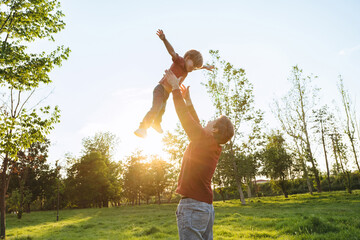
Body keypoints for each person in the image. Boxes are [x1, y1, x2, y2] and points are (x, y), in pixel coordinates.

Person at [164, 69, 234, 240]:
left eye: (213, 120)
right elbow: (197, 125)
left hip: (193, 208)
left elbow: (186, 119)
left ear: (215, 129)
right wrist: (188, 100)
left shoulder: (204, 141)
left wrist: (174, 88)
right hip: (205, 208)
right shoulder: (211, 145)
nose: (208, 120)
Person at [134, 29, 214, 138]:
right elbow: (171, 51)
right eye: (192, 66)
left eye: (194, 68)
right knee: (156, 108)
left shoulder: (187, 69)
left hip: (166, 93)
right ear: (187, 58)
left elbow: (197, 68)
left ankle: (156, 123)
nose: (192, 69)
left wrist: (206, 67)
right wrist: (164, 39)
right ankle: (142, 127)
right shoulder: (179, 60)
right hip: (160, 89)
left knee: (161, 109)